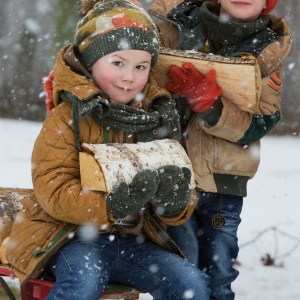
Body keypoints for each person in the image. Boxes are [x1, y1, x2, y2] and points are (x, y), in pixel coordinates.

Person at [5, 0, 211, 299]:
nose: (129, 76)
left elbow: (182, 185)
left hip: (134, 242)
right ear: (91, 63)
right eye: (118, 63)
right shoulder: (68, 118)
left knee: (190, 283)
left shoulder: (157, 117)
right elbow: (53, 190)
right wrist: (111, 205)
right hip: (69, 238)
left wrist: (176, 201)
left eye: (141, 66)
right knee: (82, 281)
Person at [148, 0, 292, 299]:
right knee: (180, 273)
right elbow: (126, 61)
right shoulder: (179, 23)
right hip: (168, 176)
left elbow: (261, 121)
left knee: (219, 276)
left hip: (223, 185)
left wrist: (212, 107)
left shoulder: (267, 48)